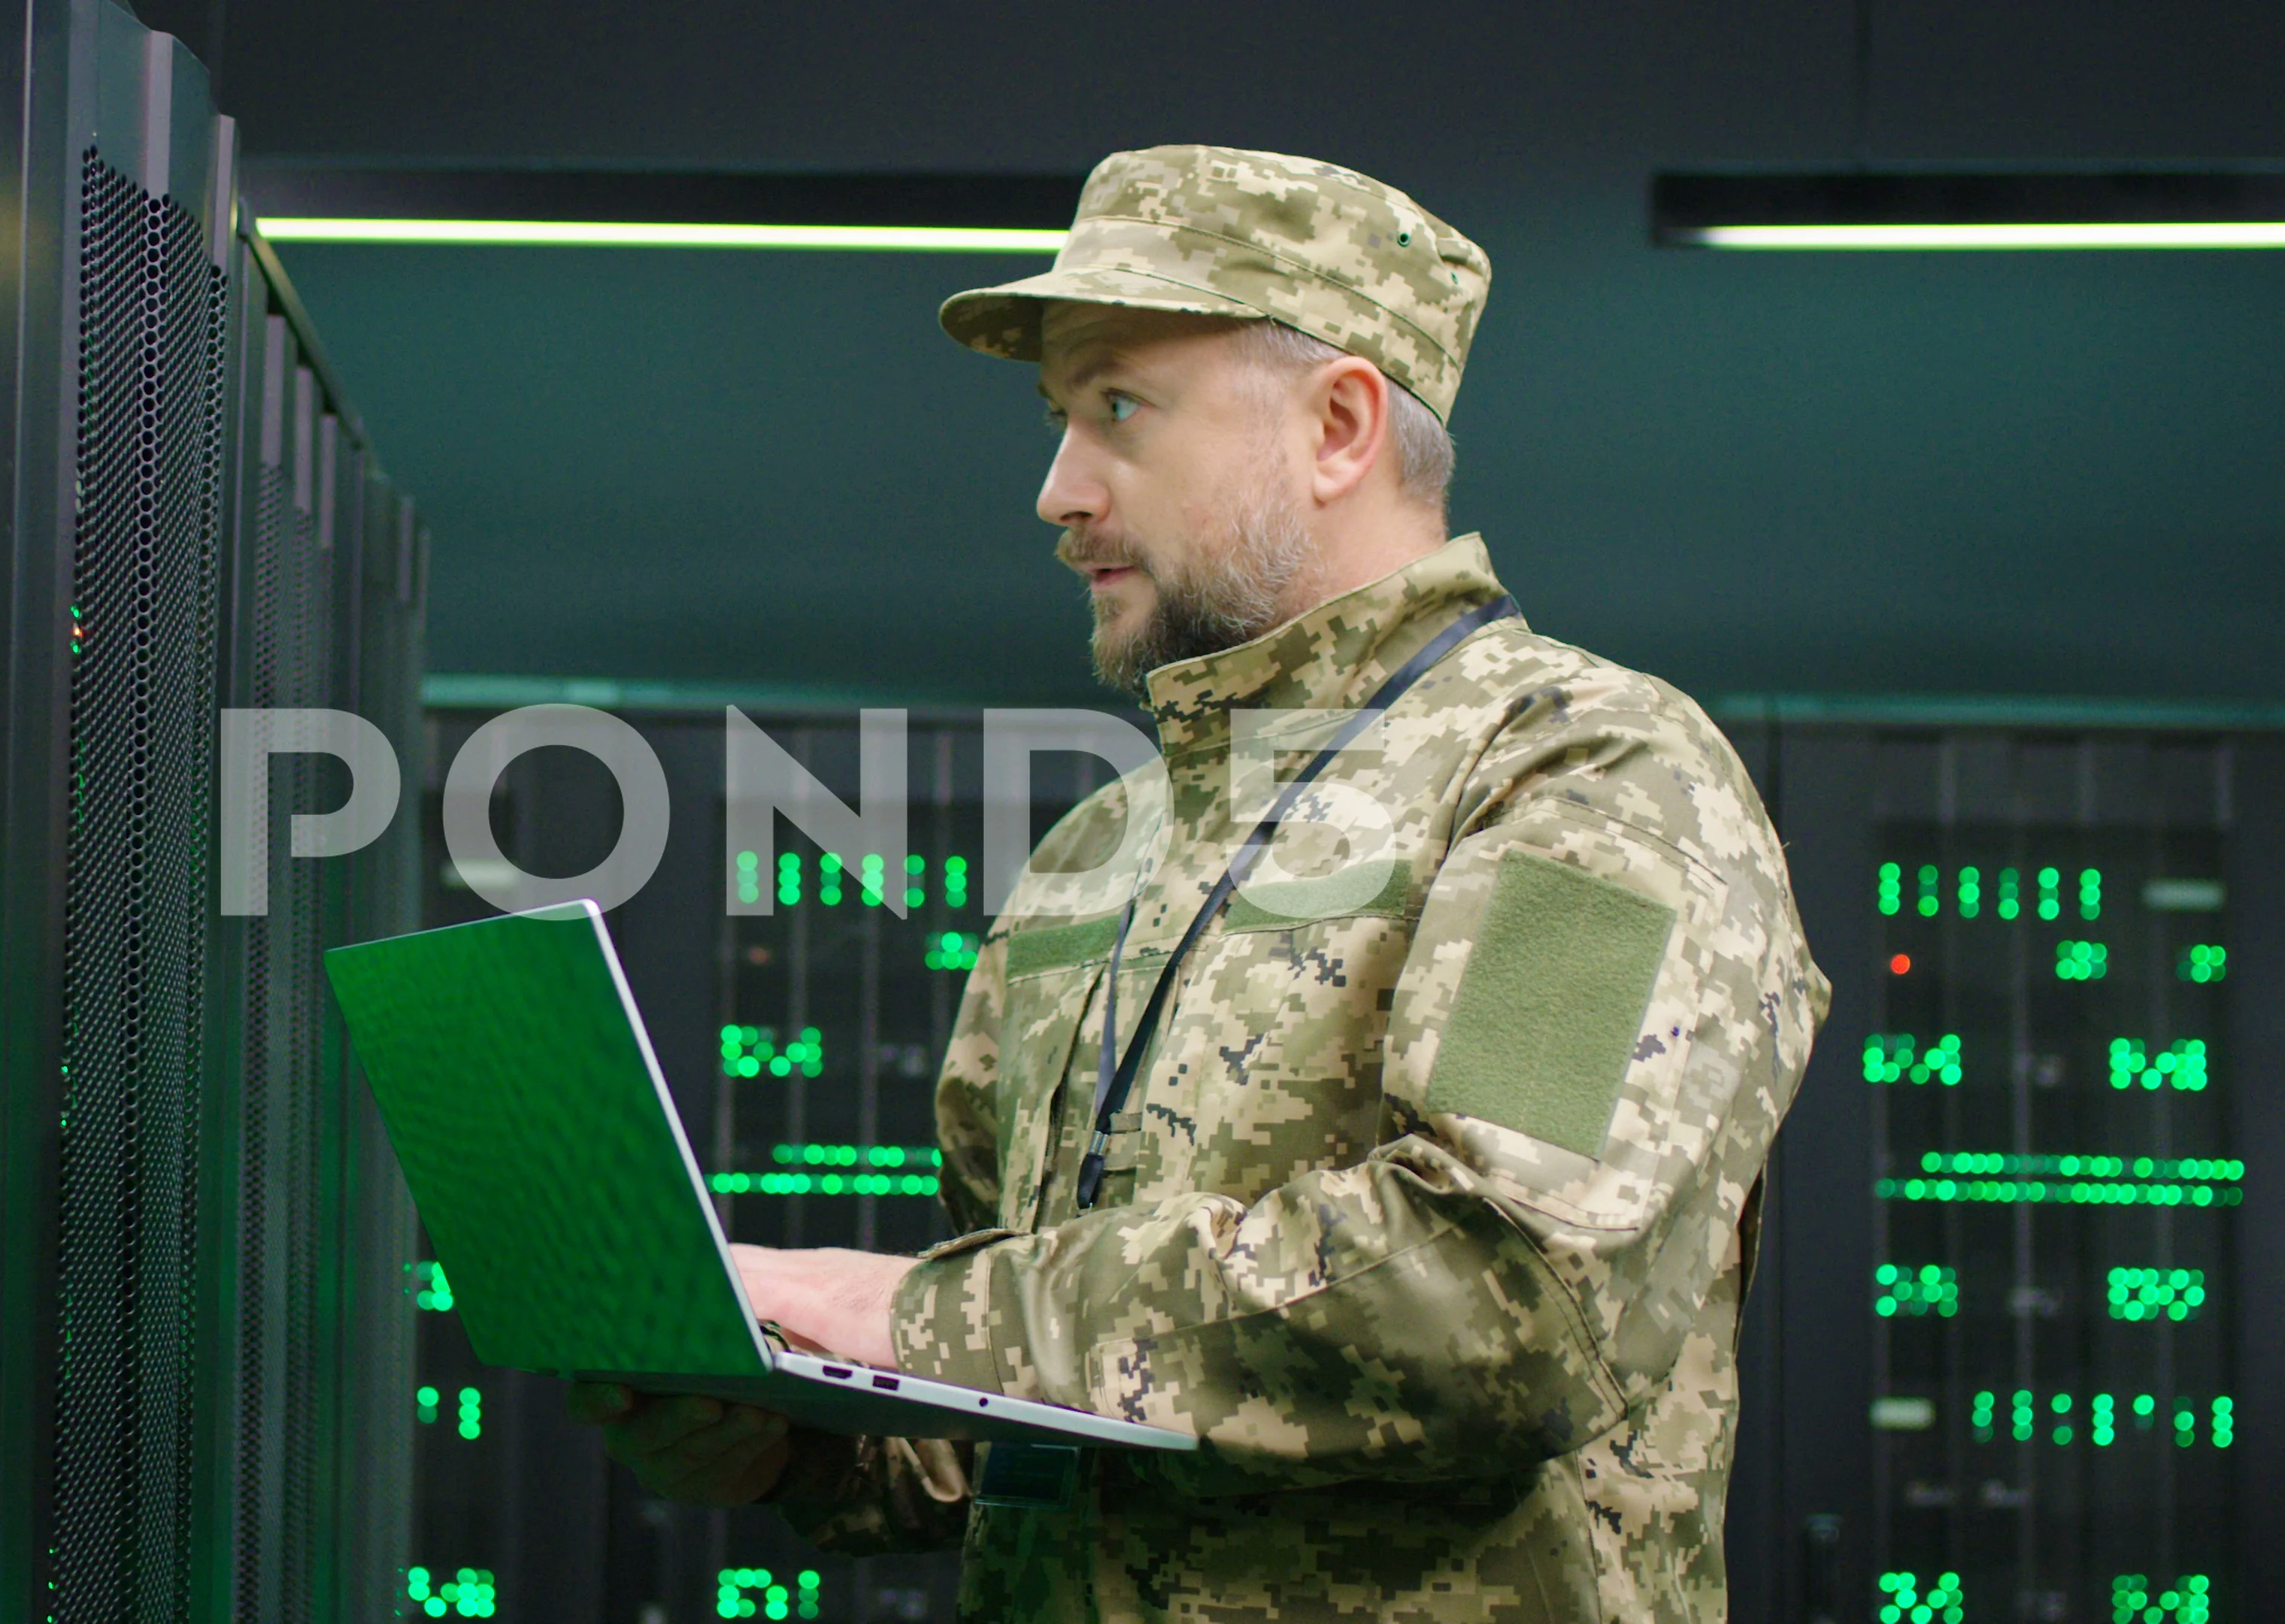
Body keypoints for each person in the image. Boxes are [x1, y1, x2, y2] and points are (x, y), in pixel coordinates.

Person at [566, 144, 1828, 1622]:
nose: (1054, 492)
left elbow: (1495, 1293)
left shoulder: (1592, 782)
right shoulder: (1095, 860)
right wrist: (789, 1432)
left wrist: (902, 1315)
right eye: (1056, 420)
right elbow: (1028, 1426)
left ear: (1338, 425)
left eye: (1117, 408)